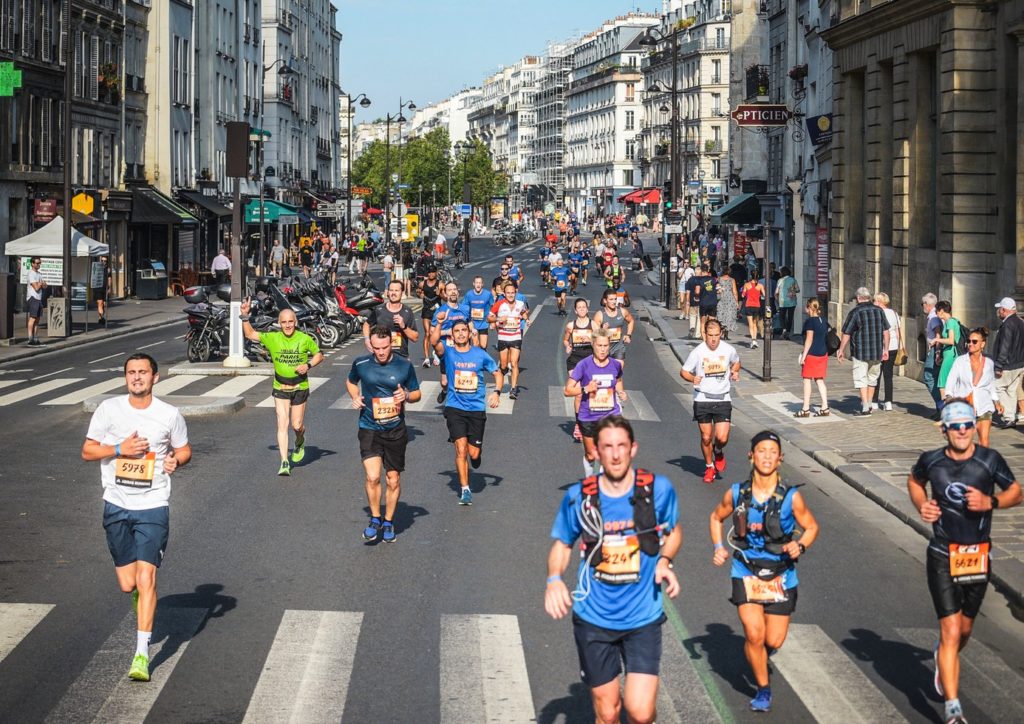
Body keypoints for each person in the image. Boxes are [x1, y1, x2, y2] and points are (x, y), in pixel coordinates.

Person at [544, 416, 681, 724]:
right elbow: (563, 544)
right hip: (594, 618)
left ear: (633, 449)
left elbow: (673, 531)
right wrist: (554, 580)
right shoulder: (579, 497)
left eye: (622, 446)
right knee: (608, 713)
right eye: (608, 447)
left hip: (642, 618)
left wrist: (664, 560)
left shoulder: (657, 489)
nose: (616, 454)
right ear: (596, 452)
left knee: (641, 712)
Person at [906, 399, 1022, 724]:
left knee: (965, 630)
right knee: (951, 628)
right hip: (943, 554)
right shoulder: (931, 461)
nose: (961, 431)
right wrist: (921, 505)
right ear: (944, 429)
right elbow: (914, 482)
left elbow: (1016, 491)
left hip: (977, 556)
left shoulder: (989, 460)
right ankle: (953, 709)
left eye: (967, 425)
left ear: (973, 426)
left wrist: (992, 501)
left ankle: (945, 656)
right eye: (954, 426)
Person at [81, 353, 192, 682]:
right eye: (131, 372)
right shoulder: (109, 410)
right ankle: (139, 596)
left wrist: (176, 460)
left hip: (153, 505)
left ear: (155, 378)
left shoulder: (169, 415)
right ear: (125, 377)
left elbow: (184, 449)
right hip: (116, 505)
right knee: (128, 583)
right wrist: (119, 450)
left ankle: (141, 654)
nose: (137, 377)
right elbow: (88, 451)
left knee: (146, 580)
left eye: (143, 372)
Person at [709, 430, 820, 713]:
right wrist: (719, 546)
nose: (767, 456)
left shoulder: (791, 497)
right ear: (751, 455)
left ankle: (759, 654)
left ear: (780, 458)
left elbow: (811, 527)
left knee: (773, 640)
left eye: (773, 451)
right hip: (745, 570)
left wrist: (800, 546)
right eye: (761, 450)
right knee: (754, 634)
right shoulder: (736, 493)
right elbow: (715, 517)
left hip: (781, 574)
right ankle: (763, 689)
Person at [346, 326, 422, 543]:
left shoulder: (404, 365)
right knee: (372, 476)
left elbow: (417, 393)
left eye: (384, 347)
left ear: (392, 343)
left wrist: (405, 395)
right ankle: (375, 518)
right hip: (369, 426)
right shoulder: (361, 363)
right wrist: (355, 396)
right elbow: (351, 381)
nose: (380, 352)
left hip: (395, 429)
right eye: (376, 347)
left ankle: (388, 521)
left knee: (393, 480)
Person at [240, 299, 324, 475]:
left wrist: (308, 365)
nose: (287, 325)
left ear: (296, 322)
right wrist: (245, 316)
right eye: (284, 322)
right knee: (282, 423)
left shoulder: (304, 339)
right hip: (280, 386)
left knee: (296, 424)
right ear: (279, 323)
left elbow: (319, 355)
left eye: (290, 321)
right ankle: (284, 461)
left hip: (300, 386)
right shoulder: (273, 338)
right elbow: (250, 335)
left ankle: (300, 440)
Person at [438, 320, 502, 506]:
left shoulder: (480, 355)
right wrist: (439, 323)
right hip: (454, 407)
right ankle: (465, 489)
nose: (460, 334)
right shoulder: (449, 353)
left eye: (463, 330)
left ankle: (477, 455)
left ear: (469, 333)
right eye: (456, 331)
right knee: (461, 449)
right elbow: (434, 341)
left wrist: (496, 392)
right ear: (452, 335)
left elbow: (497, 373)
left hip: (476, 409)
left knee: (473, 454)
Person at [680, 318, 742, 483]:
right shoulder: (698, 352)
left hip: (722, 398)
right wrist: (692, 378)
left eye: (716, 335)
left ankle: (718, 451)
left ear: (721, 334)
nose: (714, 339)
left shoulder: (728, 349)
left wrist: (735, 372)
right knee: (706, 437)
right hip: (702, 399)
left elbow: (736, 363)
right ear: (704, 335)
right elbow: (684, 371)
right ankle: (709, 467)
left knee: (721, 438)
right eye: (710, 335)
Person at [565, 329, 627, 476]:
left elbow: (618, 380)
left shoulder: (615, 365)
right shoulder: (583, 365)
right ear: (593, 345)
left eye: (605, 345)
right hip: (588, 416)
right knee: (591, 455)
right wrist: (586, 388)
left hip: (610, 415)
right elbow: (567, 390)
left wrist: (620, 392)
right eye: (599, 345)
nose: (603, 349)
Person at [837, 287, 891, 416]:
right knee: (873, 379)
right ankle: (869, 403)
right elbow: (886, 332)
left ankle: (866, 407)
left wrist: (841, 349)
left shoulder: (855, 312)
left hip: (861, 351)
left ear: (858, 298)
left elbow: (847, 332)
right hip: (877, 351)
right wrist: (886, 349)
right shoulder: (879, 311)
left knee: (861, 379)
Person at [944, 328, 1000, 447]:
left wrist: (997, 402)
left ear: (982, 344)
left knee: (984, 441)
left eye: (974, 341)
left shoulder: (989, 363)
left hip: (984, 406)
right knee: (963, 442)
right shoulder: (960, 361)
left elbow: (991, 384)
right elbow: (951, 381)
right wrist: (948, 397)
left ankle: (982, 463)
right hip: (964, 407)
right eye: (969, 341)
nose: (970, 344)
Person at [431, 282, 473, 404]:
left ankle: (456, 404)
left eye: (455, 289)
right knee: (445, 382)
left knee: (461, 377)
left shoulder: (465, 309)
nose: (453, 292)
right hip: (447, 350)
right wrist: (447, 331)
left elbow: (470, 324)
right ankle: (444, 391)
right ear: (445, 293)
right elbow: (433, 332)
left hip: (462, 349)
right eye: (450, 290)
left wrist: (473, 330)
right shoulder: (441, 311)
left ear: (458, 292)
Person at [488, 281, 530, 400]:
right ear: (504, 293)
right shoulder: (499, 304)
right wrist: (498, 318)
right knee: (503, 365)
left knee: (514, 363)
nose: (511, 295)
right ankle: (503, 372)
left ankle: (513, 388)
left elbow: (524, 312)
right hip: (503, 338)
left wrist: (526, 319)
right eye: (508, 293)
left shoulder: (520, 303)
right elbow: (488, 318)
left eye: (512, 293)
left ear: (515, 292)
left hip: (516, 337)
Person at [362, 280, 419, 358]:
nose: (393, 293)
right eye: (391, 290)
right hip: (381, 356)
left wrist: (403, 326)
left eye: (396, 290)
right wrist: (367, 339)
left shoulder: (407, 311)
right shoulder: (379, 310)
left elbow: (415, 338)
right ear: (388, 292)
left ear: (402, 293)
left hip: (401, 356)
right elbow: (366, 325)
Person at [991, 297, 1024, 429]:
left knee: (998, 387)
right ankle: (1010, 418)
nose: (998, 311)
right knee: (1011, 390)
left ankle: (1008, 416)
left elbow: (1005, 346)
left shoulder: (1007, 324)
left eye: (999, 309)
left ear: (1004, 310)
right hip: (1020, 363)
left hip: (1008, 364)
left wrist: (999, 365)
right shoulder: (1021, 322)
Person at [796, 298, 830, 417]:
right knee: (819, 380)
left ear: (809, 308)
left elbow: (809, 339)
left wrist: (803, 356)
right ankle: (825, 406)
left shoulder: (810, 322)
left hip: (812, 354)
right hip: (823, 353)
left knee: (807, 380)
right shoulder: (823, 320)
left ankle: (805, 408)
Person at [871, 292, 903, 411]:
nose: (873, 303)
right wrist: (898, 345)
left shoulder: (877, 313)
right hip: (893, 347)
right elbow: (898, 332)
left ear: (879, 302)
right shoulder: (894, 313)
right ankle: (888, 402)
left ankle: (874, 401)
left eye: (875, 301)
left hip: (880, 346)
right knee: (888, 375)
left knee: (876, 374)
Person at [593, 288, 635, 368]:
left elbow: (631, 321)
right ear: (605, 301)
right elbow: (595, 335)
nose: (614, 302)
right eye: (611, 299)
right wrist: (603, 330)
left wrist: (628, 335)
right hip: (604, 349)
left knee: (618, 370)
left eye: (615, 299)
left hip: (618, 347)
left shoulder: (622, 311)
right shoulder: (600, 315)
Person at [929, 300, 962, 400]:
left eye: (937, 311)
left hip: (951, 355)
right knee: (950, 382)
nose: (936, 313)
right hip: (950, 354)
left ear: (942, 311)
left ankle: (946, 408)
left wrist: (936, 339)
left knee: (942, 383)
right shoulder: (953, 321)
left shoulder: (950, 322)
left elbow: (951, 340)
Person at [922, 293, 945, 417]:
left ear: (927, 304)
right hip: (937, 349)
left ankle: (942, 405)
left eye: (923, 304)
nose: (923, 307)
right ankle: (939, 409)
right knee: (935, 379)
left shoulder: (934, 317)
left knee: (928, 377)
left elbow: (938, 332)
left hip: (935, 350)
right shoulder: (935, 316)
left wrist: (936, 351)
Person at [461, 276, 496, 349]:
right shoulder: (469, 294)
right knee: (475, 344)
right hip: (473, 323)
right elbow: (464, 308)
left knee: (483, 346)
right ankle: (476, 359)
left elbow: (493, 306)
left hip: (484, 323)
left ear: (482, 284)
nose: (478, 285)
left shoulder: (488, 294)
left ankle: (482, 358)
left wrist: (492, 321)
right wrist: (466, 320)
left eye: (480, 283)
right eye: (476, 283)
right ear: (473, 284)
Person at [417, 268, 442, 368]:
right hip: (426, 310)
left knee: (436, 334)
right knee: (427, 333)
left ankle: (436, 353)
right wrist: (420, 295)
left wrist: (439, 293)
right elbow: (418, 293)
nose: (431, 274)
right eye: (429, 272)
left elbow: (445, 298)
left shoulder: (440, 284)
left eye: (433, 272)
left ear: (436, 273)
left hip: (437, 311)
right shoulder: (422, 284)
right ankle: (427, 359)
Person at [25, 256, 47, 345]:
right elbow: (37, 288)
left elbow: (45, 286)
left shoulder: (39, 274)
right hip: (33, 297)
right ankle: (30, 338)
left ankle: (35, 338)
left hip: (39, 298)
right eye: (37, 263)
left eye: (39, 263)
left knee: (37, 320)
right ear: (32, 264)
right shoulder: (31, 274)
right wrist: (40, 284)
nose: (39, 265)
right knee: (32, 318)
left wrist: (41, 284)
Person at [774, 267, 799, 340]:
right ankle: (787, 332)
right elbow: (797, 289)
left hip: (782, 301)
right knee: (790, 317)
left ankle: (784, 329)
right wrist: (792, 291)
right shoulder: (793, 280)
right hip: (792, 301)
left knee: (782, 317)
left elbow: (776, 292)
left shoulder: (780, 280)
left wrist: (776, 300)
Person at [740, 276, 766, 349]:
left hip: (749, 305)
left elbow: (742, 295)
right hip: (757, 306)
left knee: (750, 324)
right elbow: (764, 295)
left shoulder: (747, 284)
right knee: (755, 323)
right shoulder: (760, 285)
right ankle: (755, 340)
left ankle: (753, 340)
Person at [716, 265, 739, 340]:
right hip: (730, 298)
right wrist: (736, 302)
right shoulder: (732, 280)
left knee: (721, 314)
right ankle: (726, 334)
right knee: (729, 315)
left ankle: (722, 330)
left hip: (722, 298)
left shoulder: (719, 279)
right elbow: (735, 291)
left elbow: (717, 289)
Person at [95, 255, 111, 324]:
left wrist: (109, 288)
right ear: (100, 261)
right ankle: (102, 317)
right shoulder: (97, 268)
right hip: (98, 288)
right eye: (102, 261)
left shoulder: (108, 269)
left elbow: (109, 278)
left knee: (104, 304)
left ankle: (100, 317)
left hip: (105, 288)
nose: (104, 262)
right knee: (100, 303)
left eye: (105, 261)